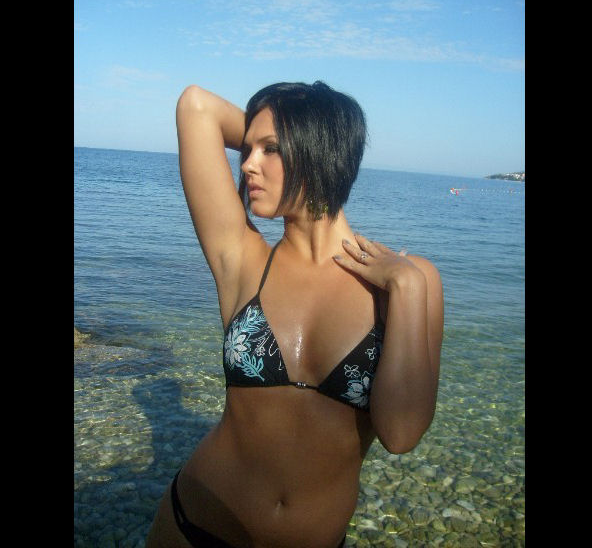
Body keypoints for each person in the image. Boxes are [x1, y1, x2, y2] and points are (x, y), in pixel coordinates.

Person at [146, 81, 444, 548]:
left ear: (317, 152)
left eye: (270, 150)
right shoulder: (242, 260)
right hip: (194, 527)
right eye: (248, 148)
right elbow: (196, 106)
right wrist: (281, 136)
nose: (247, 164)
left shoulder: (411, 280)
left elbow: (401, 433)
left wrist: (405, 290)